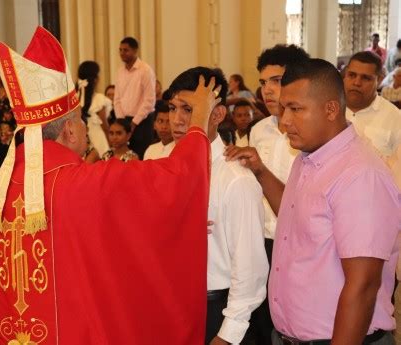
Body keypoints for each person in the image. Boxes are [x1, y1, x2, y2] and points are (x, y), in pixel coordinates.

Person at [0, 27, 220, 345]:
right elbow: (175, 180)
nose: (85, 129)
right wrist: (199, 120)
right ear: (69, 130)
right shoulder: (82, 183)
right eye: (82, 120)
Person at [226, 58, 400, 344]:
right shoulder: (310, 157)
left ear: (330, 109)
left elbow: (363, 286)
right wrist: (260, 171)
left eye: (296, 109)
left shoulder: (360, 176)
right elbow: (299, 216)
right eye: (284, 109)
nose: (285, 120)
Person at [168, 66, 269, 345]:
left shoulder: (235, 180)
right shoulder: (165, 166)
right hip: (177, 304)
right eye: (172, 108)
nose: (176, 120)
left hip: (219, 310)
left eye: (188, 110)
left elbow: (249, 269)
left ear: (218, 114)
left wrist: (227, 334)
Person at [243, 43, 310, 345]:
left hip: (299, 242)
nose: (267, 90)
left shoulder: (313, 133)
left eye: (277, 80)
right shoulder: (258, 131)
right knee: (260, 321)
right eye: (262, 82)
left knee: (294, 322)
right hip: (262, 241)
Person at [344, 51, 401, 159]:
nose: (357, 82)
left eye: (365, 78)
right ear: (345, 74)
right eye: (352, 75)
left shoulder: (395, 118)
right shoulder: (328, 110)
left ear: (379, 79)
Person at [113, 36, 156, 159]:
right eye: (120, 50)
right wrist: (121, 122)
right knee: (125, 157)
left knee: (140, 156)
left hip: (142, 121)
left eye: (126, 50)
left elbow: (149, 100)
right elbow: (117, 99)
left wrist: (134, 122)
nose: (122, 53)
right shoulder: (120, 71)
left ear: (135, 50)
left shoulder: (145, 70)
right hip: (125, 121)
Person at [76, 61, 112, 159]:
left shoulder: (74, 99)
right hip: (99, 139)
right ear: (95, 79)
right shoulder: (99, 100)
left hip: (81, 141)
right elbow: (105, 126)